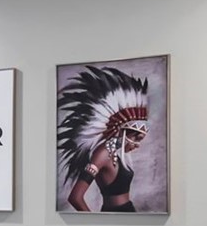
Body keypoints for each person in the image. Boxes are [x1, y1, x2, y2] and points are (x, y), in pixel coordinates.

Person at [57, 65, 150, 212]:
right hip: (113, 215)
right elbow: (75, 197)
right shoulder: (103, 153)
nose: (137, 145)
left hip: (128, 211)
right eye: (136, 138)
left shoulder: (116, 153)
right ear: (121, 131)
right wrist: (92, 222)